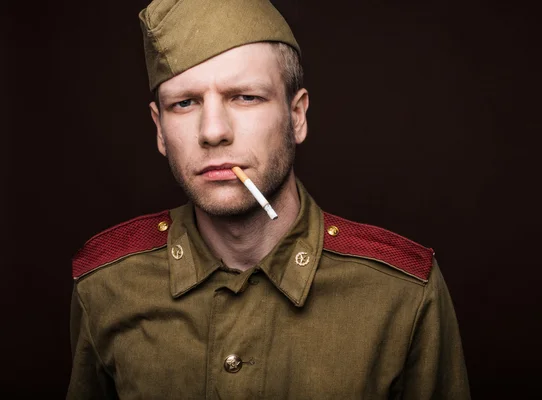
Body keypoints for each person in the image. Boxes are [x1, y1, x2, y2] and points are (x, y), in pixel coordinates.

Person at [67, 0, 470, 398]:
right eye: (185, 103)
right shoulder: (106, 284)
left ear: (296, 116)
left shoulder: (403, 293)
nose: (212, 131)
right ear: (159, 129)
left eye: (245, 97)